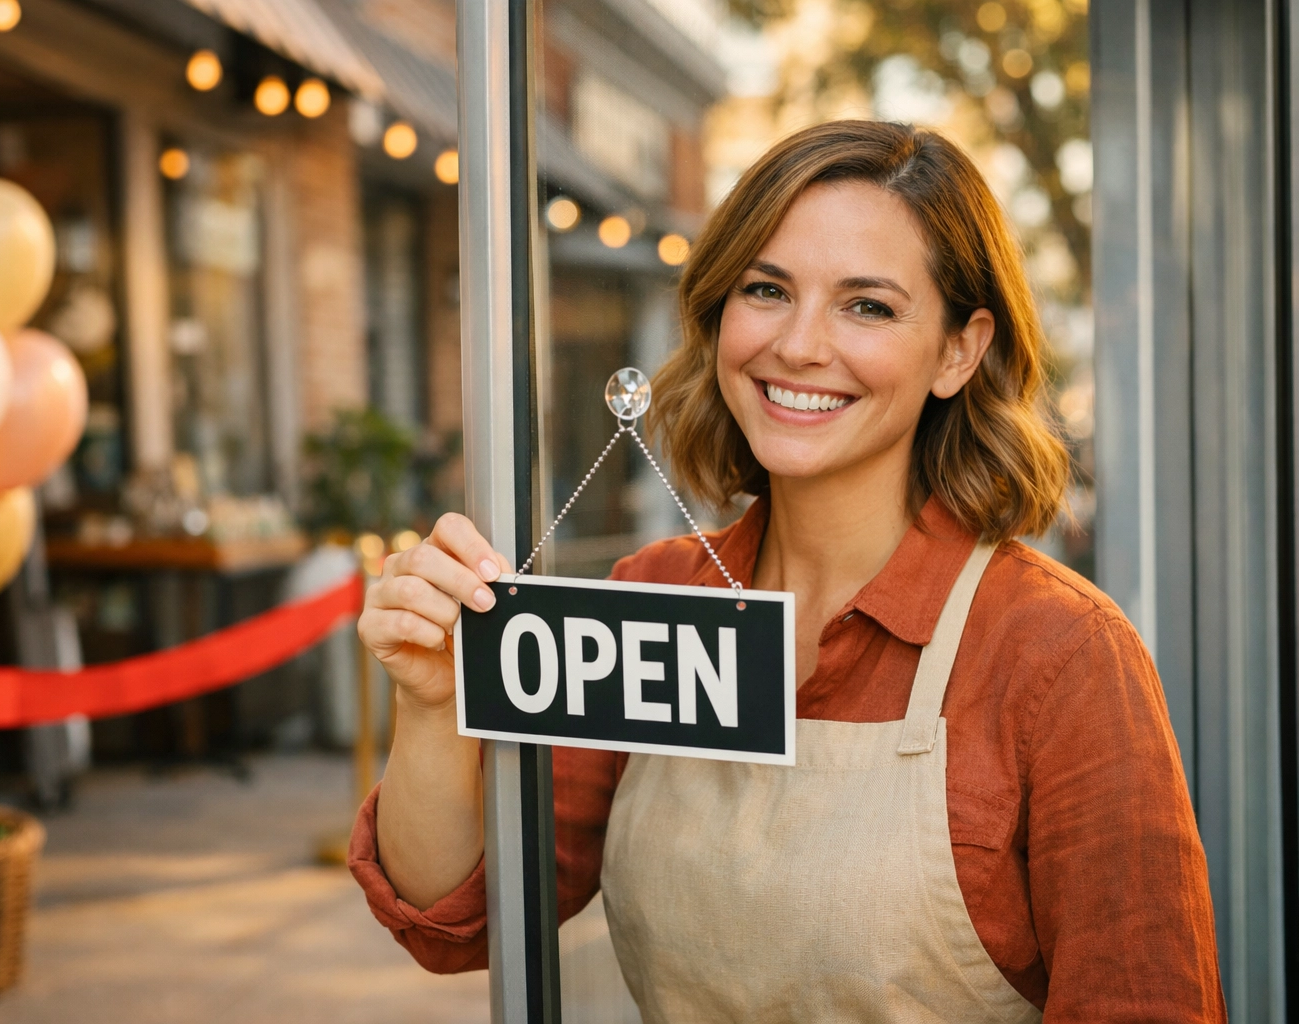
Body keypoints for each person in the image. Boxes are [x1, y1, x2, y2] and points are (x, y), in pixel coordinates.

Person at [349, 120, 1225, 1021]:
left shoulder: (1062, 656)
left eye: (868, 306)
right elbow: (463, 918)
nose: (800, 346)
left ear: (959, 351)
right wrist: (430, 708)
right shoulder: (653, 596)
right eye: (767, 289)